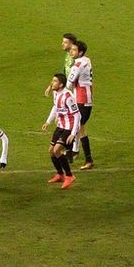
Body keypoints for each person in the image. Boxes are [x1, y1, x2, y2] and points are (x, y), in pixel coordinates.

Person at [42, 73, 80, 188]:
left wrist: (73, 133)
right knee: (51, 151)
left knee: (57, 150)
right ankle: (60, 174)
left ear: (61, 84)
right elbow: (55, 107)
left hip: (69, 127)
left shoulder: (68, 97)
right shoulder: (55, 93)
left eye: (54, 81)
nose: (52, 83)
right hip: (61, 126)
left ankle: (69, 176)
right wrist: (48, 121)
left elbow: (77, 115)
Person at [66, 39, 95, 169]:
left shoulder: (77, 66)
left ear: (80, 52)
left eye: (74, 50)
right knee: (78, 127)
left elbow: (68, 84)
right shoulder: (87, 60)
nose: (71, 52)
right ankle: (73, 153)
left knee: (76, 127)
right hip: (87, 98)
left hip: (81, 99)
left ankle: (85, 158)